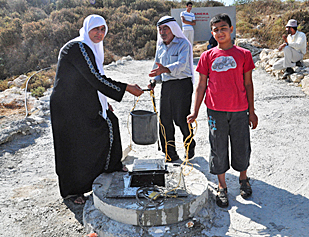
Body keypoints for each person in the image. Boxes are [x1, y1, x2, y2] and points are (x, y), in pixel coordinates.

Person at [50, 15, 143, 204]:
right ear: (87, 29)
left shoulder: (91, 48)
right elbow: (94, 78)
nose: (99, 33)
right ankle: (72, 191)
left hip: (82, 100)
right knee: (72, 145)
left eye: (103, 29)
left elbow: (94, 79)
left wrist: (103, 102)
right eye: (96, 29)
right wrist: (126, 87)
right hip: (67, 106)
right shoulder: (77, 47)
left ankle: (110, 166)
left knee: (109, 122)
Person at [187, 13, 258, 208]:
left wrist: (251, 111)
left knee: (241, 145)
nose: (220, 32)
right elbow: (201, 86)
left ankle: (243, 179)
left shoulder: (244, 55)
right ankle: (222, 186)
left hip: (239, 110)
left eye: (223, 28)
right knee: (218, 148)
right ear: (212, 33)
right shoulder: (207, 56)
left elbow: (249, 84)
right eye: (216, 29)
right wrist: (194, 111)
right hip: (215, 111)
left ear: (231, 29)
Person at [148, 16, 196, 162]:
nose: (162, 32)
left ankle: (189, 145)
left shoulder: (183, 44)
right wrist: (154, 80)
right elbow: (157, 68)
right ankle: (170, 153)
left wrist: (164, 70)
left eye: (165, 28)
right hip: (167, 86)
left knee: (181, 119)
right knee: (165, 120)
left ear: (173, 29)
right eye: (160, 29)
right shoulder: (160, 46)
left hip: (182, 84)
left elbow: (181, 65)